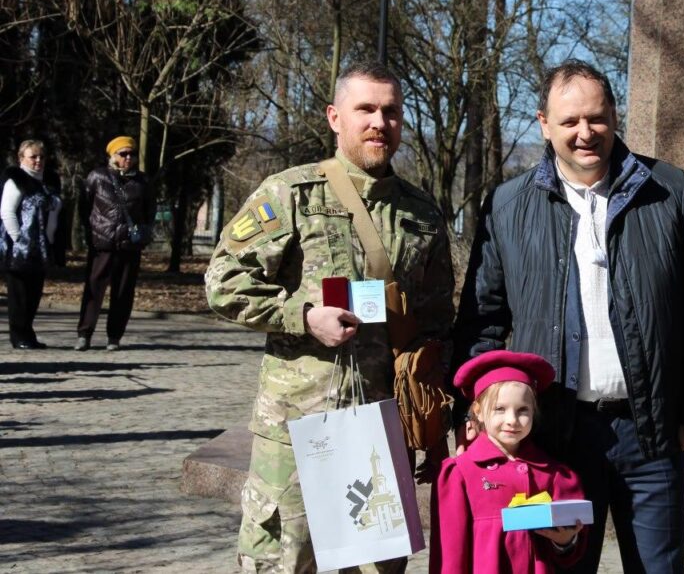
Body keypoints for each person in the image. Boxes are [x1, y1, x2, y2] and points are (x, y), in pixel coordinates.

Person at [454, 59, 684, 573]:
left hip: (650, 430)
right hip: (555, 433)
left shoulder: (668, 190)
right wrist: (478, 411)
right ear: (543, 124)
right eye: (570, 122)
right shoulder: (509, 205)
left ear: (615, 115)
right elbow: (482, 319)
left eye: (597, 118)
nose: (586, 133)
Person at [205, 60, 455, 574]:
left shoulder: (421, 213)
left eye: (390, 112)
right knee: (283, 562)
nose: (378, 123)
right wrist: (302, 316)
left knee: (378, 568)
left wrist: (435, 417)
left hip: (383, 426)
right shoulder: (291, 194)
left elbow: (436, 321)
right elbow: (222, 282)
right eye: (365, 109)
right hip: (299, 424)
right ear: (335, 117)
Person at [430, 351, 587, 574]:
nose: (512, 420)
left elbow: (567, 550)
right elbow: (450, 556)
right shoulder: (460, 473)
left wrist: (564, 541)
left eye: (523, 410)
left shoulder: (553, 473)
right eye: (499, 409)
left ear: (535, 411)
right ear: (478, 412)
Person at [75, 136, 155, 351]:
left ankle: (114, 336)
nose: (128, 158)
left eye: (132, 154)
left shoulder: (142, 181)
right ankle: (85, 333)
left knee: (123, 293)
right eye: (123, 153)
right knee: (93, 290)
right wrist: (93, 231)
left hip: (129, 245)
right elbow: (85, 207)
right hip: (102, 243)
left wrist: (142, 232)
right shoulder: (97, 177)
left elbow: (149, 211)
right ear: (113, 156)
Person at [1, 140, 62, 349]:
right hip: (18, 249)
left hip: (41, 247)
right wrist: (18, 238)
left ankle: (28, 333)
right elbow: (7, 212)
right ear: (21, 158)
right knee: (19, 294)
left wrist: (50, 238)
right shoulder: (15, 181)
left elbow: (53, 212)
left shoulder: (48, 182)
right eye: (33, 157)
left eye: (41, 157)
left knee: (34, 293)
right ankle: (18, 336)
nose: (38, 161)